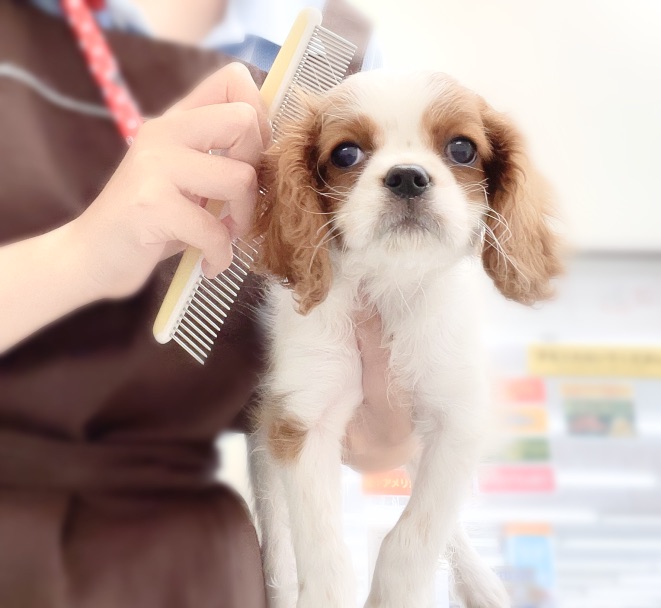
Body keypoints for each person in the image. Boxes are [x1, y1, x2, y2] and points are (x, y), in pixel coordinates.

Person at [0, 1, 413, 606]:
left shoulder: (342, 51)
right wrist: (82, 255)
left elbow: (376, 436)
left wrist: (382, 422)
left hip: (192, 571)